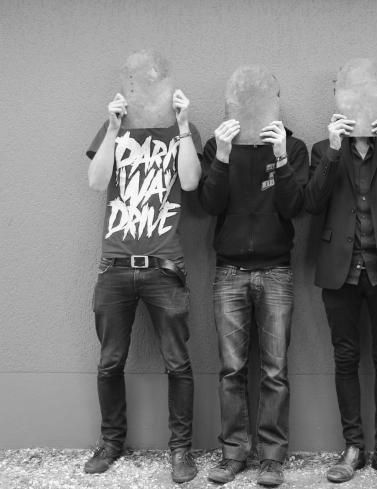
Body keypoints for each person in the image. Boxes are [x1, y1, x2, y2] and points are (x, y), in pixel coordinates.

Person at [84, 87, 202, 484]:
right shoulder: (113, 128)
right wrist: (112, 128)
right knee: (109, 362)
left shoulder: (184, 131)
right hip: (115, 266)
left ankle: (181, 450)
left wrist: (183, 124)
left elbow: (190, 182)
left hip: (164, 267)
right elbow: (96, 182)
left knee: (178, 362)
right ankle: (111, 443)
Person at [304, 101, 377, 484]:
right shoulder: (324, 148)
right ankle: (353, 448)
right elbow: (311, 202)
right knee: (345, 358)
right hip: (341, 271)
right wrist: (333, 150)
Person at [199, 106, 308, 485]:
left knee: (275, 371)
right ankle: (233, 454)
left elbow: (295, 206)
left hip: (276, 270)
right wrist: (222, 155)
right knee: (232, 370)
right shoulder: (217, 145)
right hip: (229, 271)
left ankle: (272, 458)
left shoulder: (292, 147)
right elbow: (209, 204)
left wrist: (281, 157)